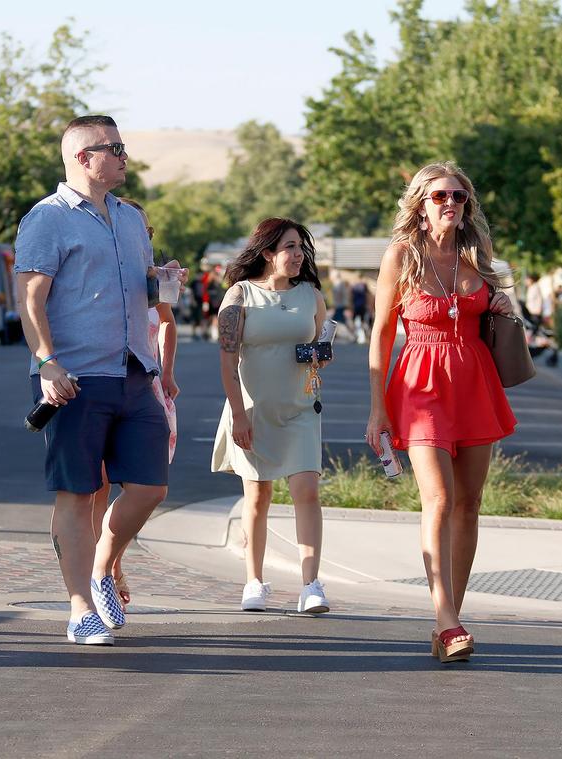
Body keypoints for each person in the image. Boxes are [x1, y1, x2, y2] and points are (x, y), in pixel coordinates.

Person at [15, 114, 185, 645]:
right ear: (83, 158)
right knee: (77, 492)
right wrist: (47, 362)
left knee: (150, 487)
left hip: (136, 371)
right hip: (78, 378)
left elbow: (140, 290)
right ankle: (80, 608)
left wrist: (163, 282)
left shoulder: (131, 219)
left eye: (123, 145)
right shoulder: (45, 219)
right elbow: (29, 299)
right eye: (113, 148)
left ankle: (103, 565)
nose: (124, 155)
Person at [365, 161, 516, 664]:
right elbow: (383, 333)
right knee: (440, 498)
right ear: (420, 204)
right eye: (439, 196)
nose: (450, 203)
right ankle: (448, 620)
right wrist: (376, 409)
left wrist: (496, 305)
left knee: (470, 503)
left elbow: (492, 309)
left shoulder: (478, 256)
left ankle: (447, 616)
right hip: (420, 384)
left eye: (458, 196)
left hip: (474, 381)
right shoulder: (401, 256)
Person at [211, 217, 331, 615]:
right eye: (290, 248)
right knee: (258, 495)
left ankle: (311, 585)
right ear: (267, 253)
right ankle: (254, 581)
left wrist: (319, 356)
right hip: (252, 411)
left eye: (301, 247)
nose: (298, 255)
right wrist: (238, 415)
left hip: (300, 409)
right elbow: (227, 363)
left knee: (306, 491)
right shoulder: (239, 296)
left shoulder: (311, 295)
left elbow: (317, 347)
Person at [88, 198, 180, 608]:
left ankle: (111, 563)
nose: (139, 235)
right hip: (100, 383)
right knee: (98, 485)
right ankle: (102, 572)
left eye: (145, 231)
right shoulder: (100, 266)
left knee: (141, 486)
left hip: (147, 384)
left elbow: (167, 325)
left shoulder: (151, 276)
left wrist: (167, 371)